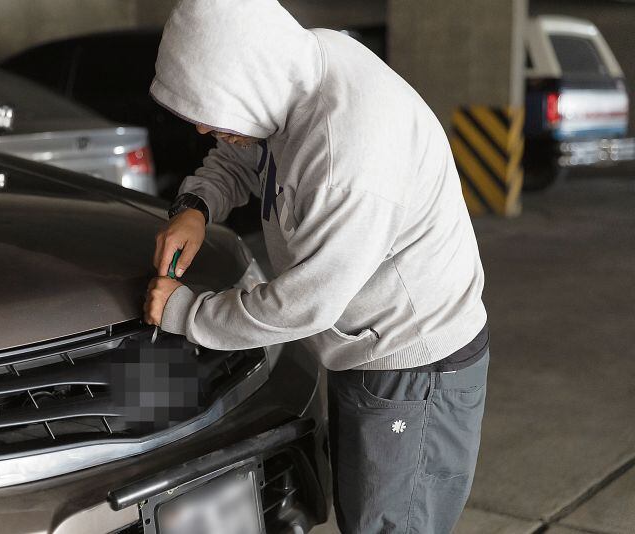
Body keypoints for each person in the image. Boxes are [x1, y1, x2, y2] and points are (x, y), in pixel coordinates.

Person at [143, 1, 489, 532]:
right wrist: (196, 206)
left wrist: (188, 313)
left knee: (390, 524)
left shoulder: (348, 157)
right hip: (367, 350)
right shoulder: (298, 69)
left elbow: (306, 303)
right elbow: (245, 148)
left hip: (412, 369)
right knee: (362, 513)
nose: (200, 129)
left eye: (209, 114)